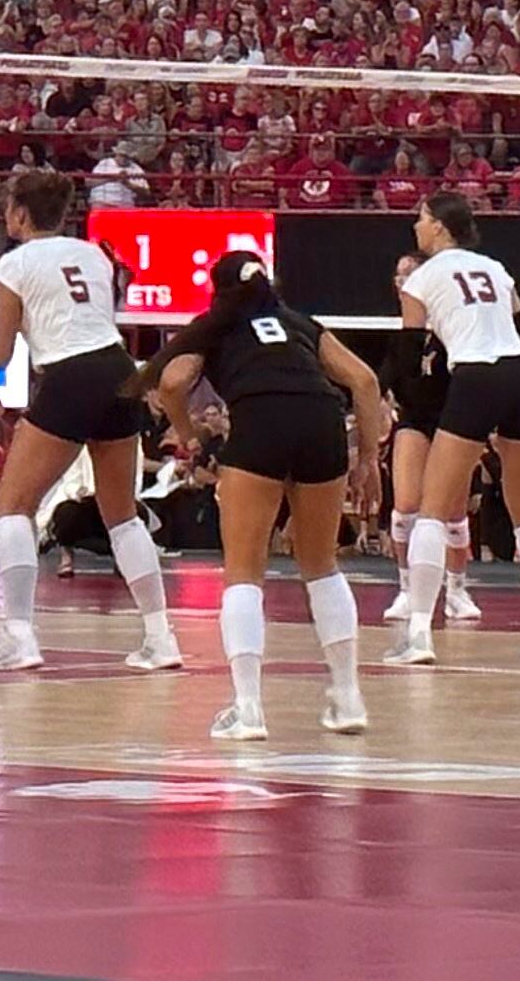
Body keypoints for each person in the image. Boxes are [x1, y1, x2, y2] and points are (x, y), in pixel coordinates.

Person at [144, 249, 388, 743]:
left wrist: (188, 433)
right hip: (321, 419)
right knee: (321, 567)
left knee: (244, 572)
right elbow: (363, 380)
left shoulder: (213, 326)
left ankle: (249, 708)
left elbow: (171, 382)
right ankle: (347, 697)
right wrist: (367, 460)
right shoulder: (297, 322)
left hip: (259, 421)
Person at [0, 165, 178, 674]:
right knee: (121, 514)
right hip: (120, 371)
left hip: (70, 375)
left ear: (18, 213)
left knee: (13, 506)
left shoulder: (12, 265)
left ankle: (19, 635)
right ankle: (160, 636)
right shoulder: (94, 255)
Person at [384, 192, 520, 667]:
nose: (416, 228)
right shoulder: (495, 268)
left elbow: (407, 354)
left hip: (475, 376)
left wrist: (428, 403)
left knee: (431, 511)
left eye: (421, 219)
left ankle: (419, 634)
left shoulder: (421, 277)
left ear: (442, 227)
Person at [380, 251, 481, 625]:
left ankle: (456, 590)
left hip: (452, 420)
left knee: (452, 512)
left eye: (412, 272)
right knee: (406, 504)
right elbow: (388, 373)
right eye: (399, 273)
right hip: (414, 418)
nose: (404, 279)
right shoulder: (400, 330)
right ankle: (407, 589)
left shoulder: (450, 323)